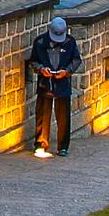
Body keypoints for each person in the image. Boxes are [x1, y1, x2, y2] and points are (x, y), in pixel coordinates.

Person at [27, 15, 80, 154]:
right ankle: (41, 143)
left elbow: (76, 60)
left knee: (63, 116)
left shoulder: (70, 42)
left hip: (63, 82)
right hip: (45, 83)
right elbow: (33, 61)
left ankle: (63, 146)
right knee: (43, 115)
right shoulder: (40, 42)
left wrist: (67, 71)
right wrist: (41, 69)